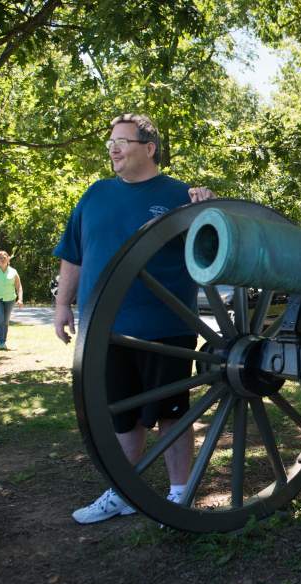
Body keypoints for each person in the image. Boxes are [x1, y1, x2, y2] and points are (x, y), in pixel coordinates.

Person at [53, 113, 214, 525]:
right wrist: (61, 305)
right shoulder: (95, 195)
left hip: (165, 326)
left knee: (171, 413)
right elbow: (73, 254)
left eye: (122, 141)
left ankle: (179, 493)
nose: (113, 148)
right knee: (120, 414)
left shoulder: (182, 195)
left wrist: (209, 213)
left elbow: (212, 253)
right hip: (104, 328)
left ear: (149, 147)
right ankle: (125, 490)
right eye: (110, 142)